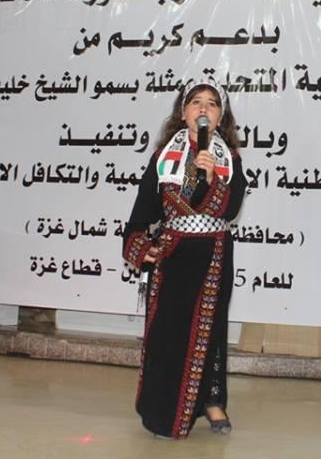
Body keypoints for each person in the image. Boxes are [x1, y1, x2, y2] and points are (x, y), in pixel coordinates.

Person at [122, 78, 246, 439]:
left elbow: (231, 209)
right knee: (167, 333)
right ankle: (162, 413)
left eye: (212, 103)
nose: (203, 108)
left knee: (208, 331)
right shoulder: (163, 158)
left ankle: (210, 400)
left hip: (213, 255)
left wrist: (211, 175)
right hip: (172, 255)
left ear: (220, 117)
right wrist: (142, 248)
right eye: (196, 102)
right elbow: (142, 213)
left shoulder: (229, 159)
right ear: (183, 112)